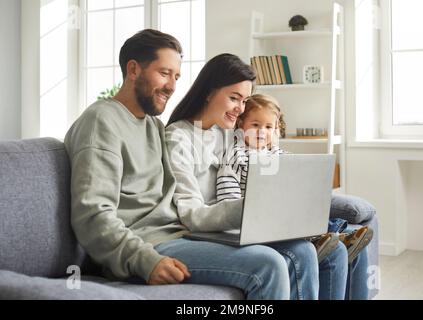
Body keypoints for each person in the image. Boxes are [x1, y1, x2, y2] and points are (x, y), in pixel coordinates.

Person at [65, 29, 302, 299]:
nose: (172, 86)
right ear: (133, 69)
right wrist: (145, 260)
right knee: (267, 265)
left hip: (179, 236)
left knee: (298, 252)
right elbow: (92, 214)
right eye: (164, 73)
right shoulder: (101, 121)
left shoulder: (153, 125)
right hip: (151, 243)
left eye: (176, 76)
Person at [166, 53, 369, 299]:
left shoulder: (228, 131)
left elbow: (266, 139)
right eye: (234, 98)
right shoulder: (178, 138)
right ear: (208, 92)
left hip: (245, 222)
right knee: (303, 252)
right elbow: (191, 214)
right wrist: (252, 207)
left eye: (244, 101)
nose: (239, 109)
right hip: (212, 230)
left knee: (335, 251)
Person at [215, 93, 373, 264]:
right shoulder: (235, 156)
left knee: (307, 210)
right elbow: (227, 201)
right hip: (256, 218)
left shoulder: (277, 153)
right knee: (292, 221)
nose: (262, 132)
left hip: (284, 213)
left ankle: (334, 237)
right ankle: (328, 239)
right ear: (240, 124)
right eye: (255, 125)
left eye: (268, 127)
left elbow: (296, 177)